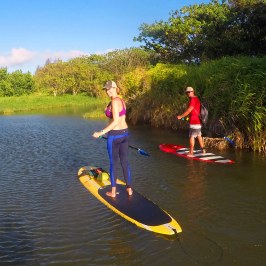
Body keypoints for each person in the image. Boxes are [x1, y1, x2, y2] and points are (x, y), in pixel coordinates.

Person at [92, 80, 133, 197]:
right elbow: (120, 119)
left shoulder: (115, 102)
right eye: (106, 89)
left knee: (113, 164)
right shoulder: (121, 100)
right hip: (125, 134)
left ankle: (113, 192)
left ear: (115, 88)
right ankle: (129, 189)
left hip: (115, 136)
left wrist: (101, 132)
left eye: (110, 89)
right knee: (125, 162)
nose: (108, 91)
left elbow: (115, 121)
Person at [177, 86, 206, 156]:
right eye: (187, 92)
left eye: (189, 92)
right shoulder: (196, 99)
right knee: (199, 135)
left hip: (194, 121)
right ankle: (203, 150)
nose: (187, 94)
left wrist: (181, 116)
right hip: (198, 121)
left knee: (191, 136)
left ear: (192, 92)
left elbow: (189, 110)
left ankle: (191, 152)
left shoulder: (193, 99)